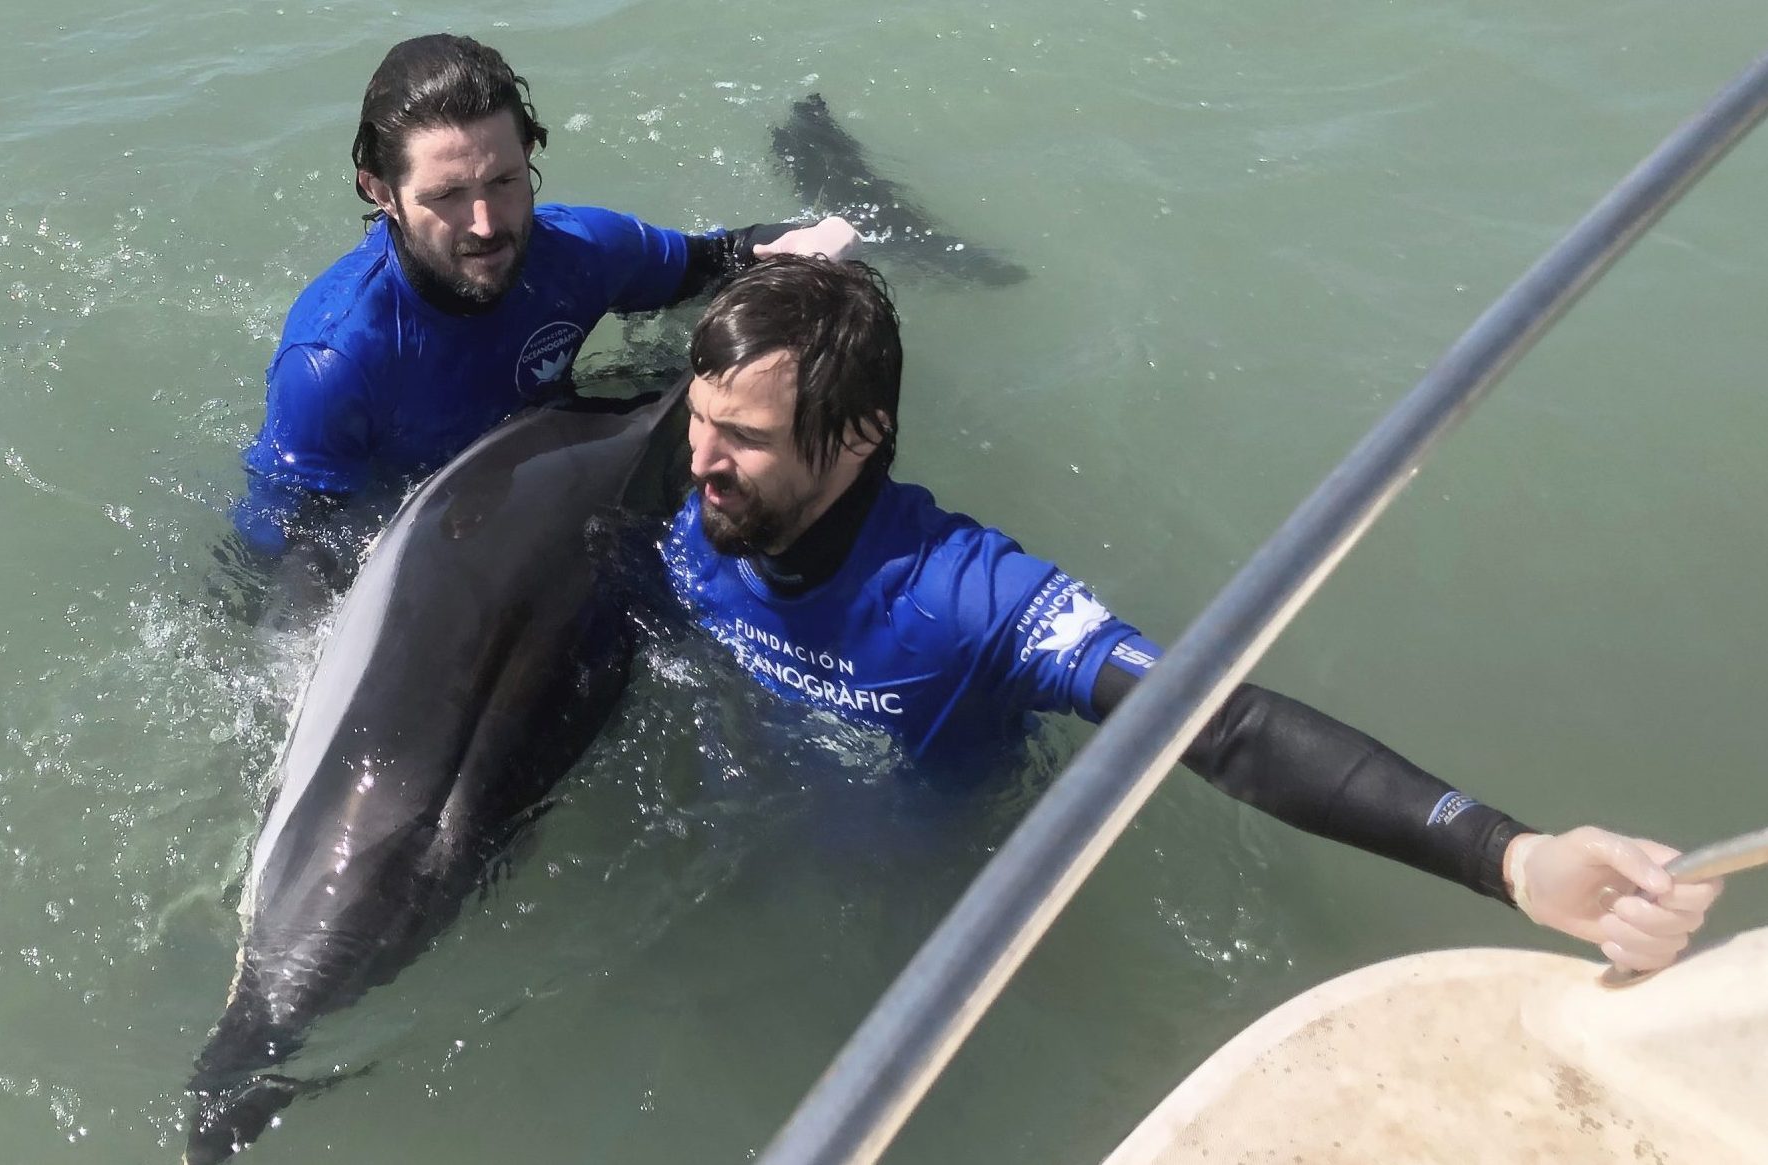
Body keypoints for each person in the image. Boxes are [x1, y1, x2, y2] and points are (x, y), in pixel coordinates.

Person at [660, 255, 1720, 973]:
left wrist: (1512, 857)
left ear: (856, 436)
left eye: (741, 437)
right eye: (700, 420)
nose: (701, 459)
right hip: (739, 818)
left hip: (906, 888)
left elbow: (1220, 723)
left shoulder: (968, 596)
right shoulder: (693, 501)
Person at [231, 33, 857, 559]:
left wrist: (825, 241)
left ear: (528, 152)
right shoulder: (332, 363)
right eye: (446, 196)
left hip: (558, 457)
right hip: (427, 530)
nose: (485, 223)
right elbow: (284, 547)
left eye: (504, 181)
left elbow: (719, 259)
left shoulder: (579, 248)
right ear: (381, 191)